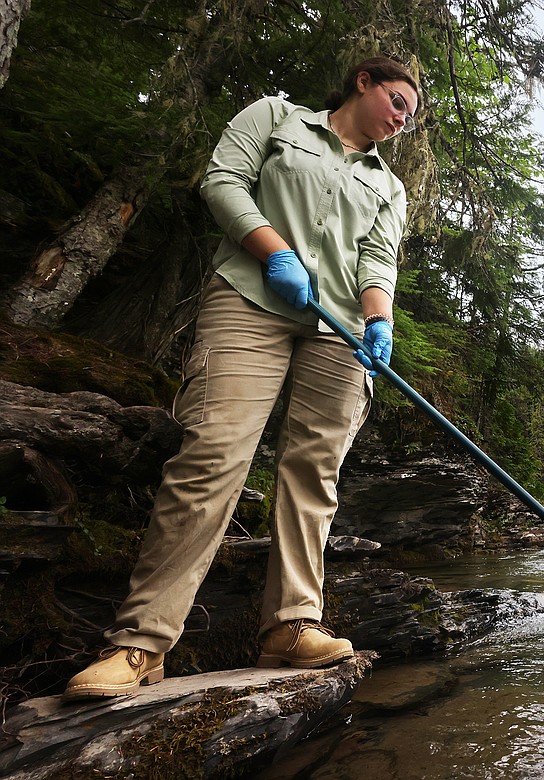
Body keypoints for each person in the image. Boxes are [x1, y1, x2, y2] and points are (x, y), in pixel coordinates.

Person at [62, 57, 420, 700]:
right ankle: (140, 644)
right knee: (213, 452)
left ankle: (291, 627)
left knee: (315, 472)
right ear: (363, 83)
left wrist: (378, 323)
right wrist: (275, 251)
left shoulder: (388, 186)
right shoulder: (277, 118)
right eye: (397, 101)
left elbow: (378, 258)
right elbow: (222, 181)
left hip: (338, 330)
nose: (402, 119)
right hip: (249, 300)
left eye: (410, 116)